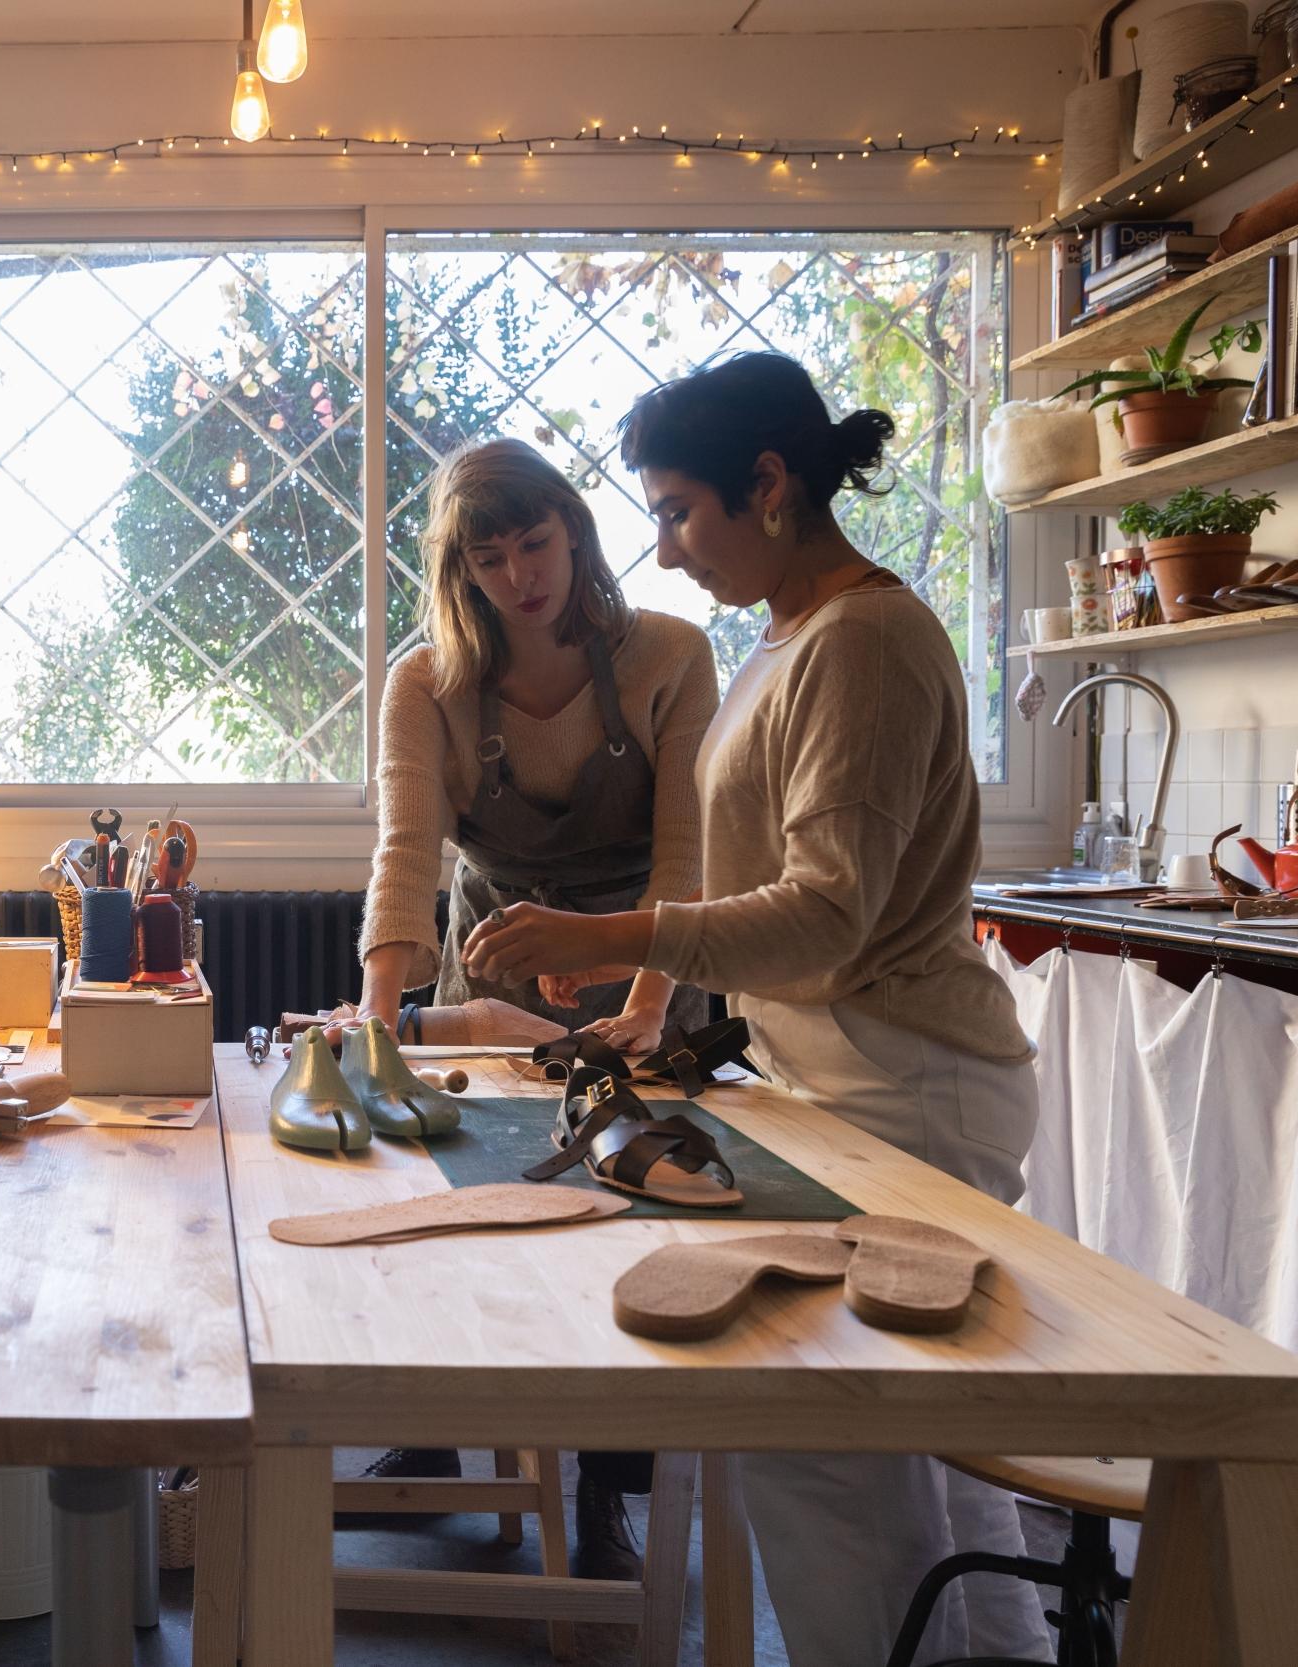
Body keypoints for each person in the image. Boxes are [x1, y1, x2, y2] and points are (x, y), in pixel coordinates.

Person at [457, 352, 1047, 1667]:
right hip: (844, 1079)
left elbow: (828, 915)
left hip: (912, 1083)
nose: (661, 550)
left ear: (767, 483)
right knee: (914, 1473)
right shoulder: (791, 635)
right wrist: (655, 1004)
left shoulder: (868, 641)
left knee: (831, 1454)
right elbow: (743, 885)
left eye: (675, 509)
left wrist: (609, 932)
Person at [346, 436, 719, 1577]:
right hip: (497, 958)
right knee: (469, 1198)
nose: (521, 576)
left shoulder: (668, 653)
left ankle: (603, 1491)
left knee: (629, 1226)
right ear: (460, 569)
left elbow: (688, 854)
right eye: (491, 556)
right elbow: (405, 851)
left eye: (536, 544)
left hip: (646, 956)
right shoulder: (426, 682)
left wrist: (649, 1003)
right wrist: (375, 1027)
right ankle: (434, 1428)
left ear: (574, 531)